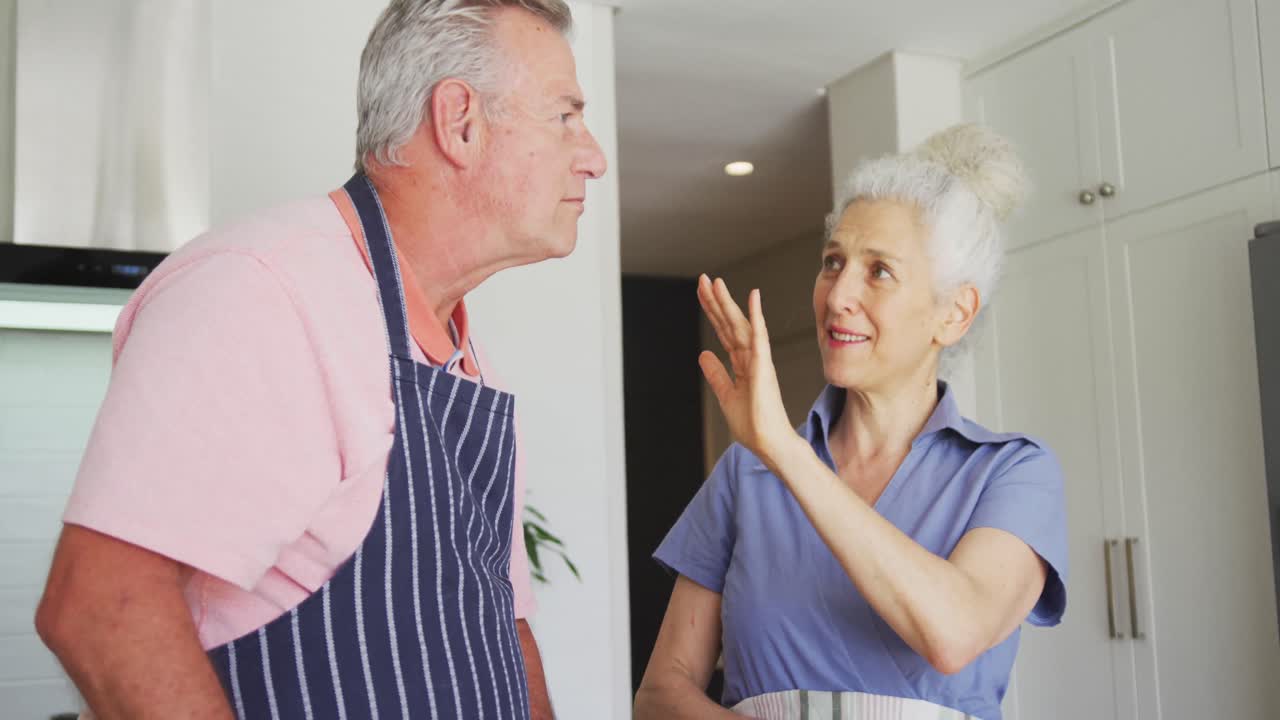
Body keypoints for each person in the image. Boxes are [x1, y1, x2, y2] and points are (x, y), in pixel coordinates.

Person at [34, 1, 607, 718]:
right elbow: (99, 608)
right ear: (460, 122)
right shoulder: (262, 290)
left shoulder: (462, 354)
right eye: (565, 116)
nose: (594, 156)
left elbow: (502, 628)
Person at [634, 124, 1067, 720]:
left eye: (878, 271)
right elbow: (660, 697)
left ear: (954, 313)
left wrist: (785, 453)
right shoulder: (745, 474)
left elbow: (953, 634)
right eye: (832, 262)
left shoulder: (1012, 472)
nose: (838, 295)